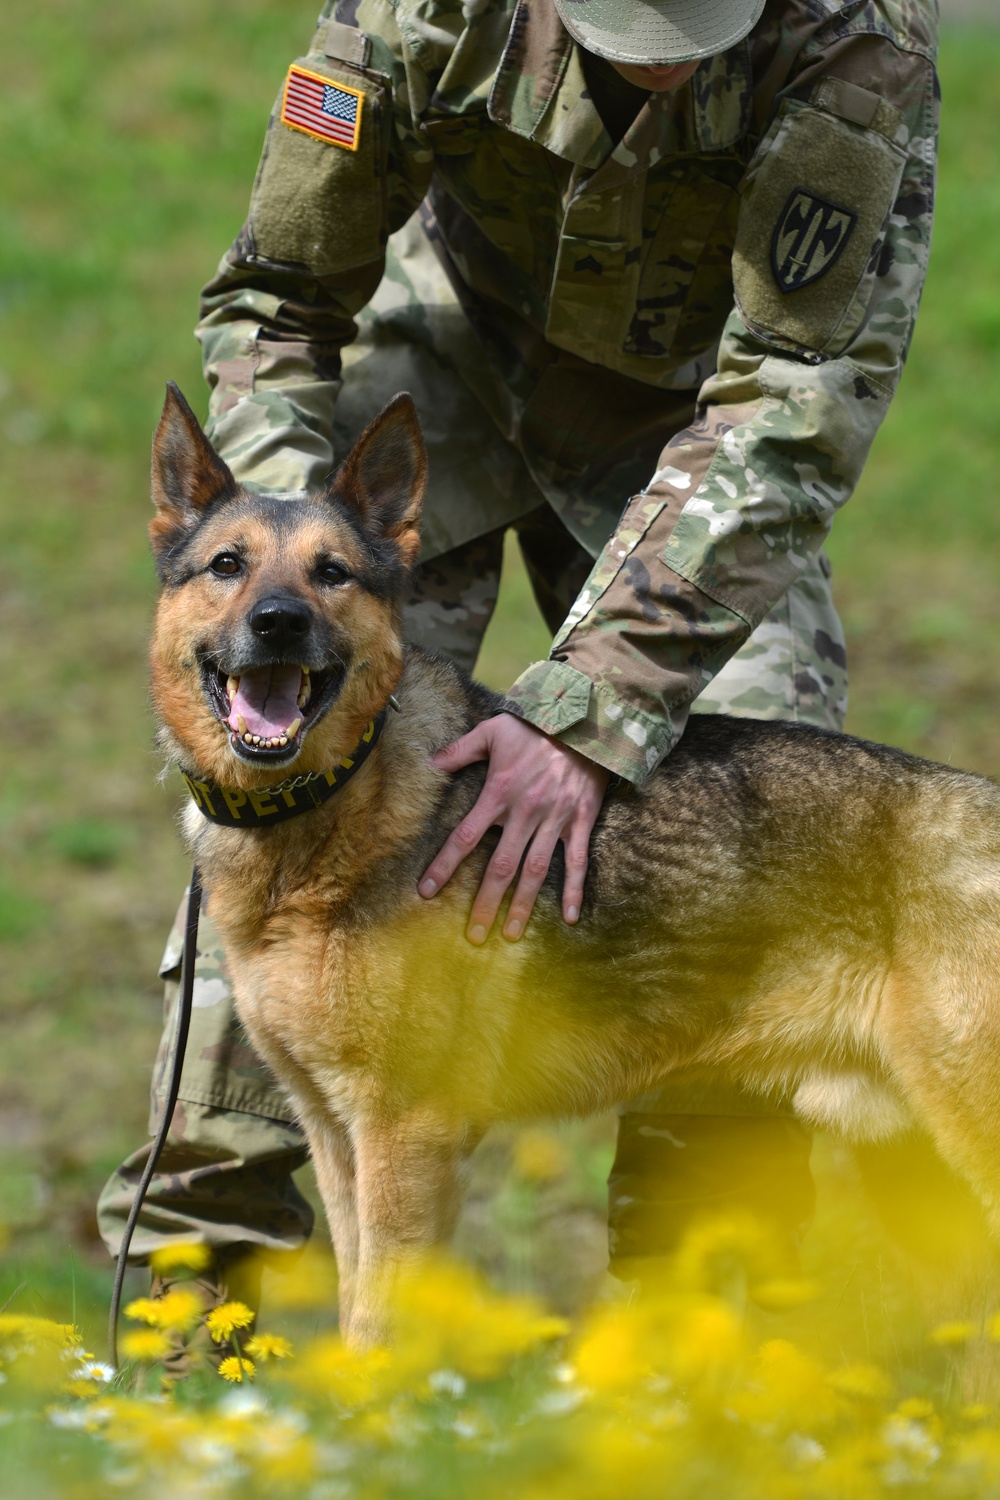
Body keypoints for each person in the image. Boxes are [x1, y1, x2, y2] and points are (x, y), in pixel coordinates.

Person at [98, 0, 939, 1308]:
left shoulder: (858, 37)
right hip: (431, 381)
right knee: (289, 822)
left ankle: (695, 1355)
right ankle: (186, 1327)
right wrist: (288, 554)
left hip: (698, 434)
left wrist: (597, 704)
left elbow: (797, 400)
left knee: (764, 847)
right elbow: (278, 286)